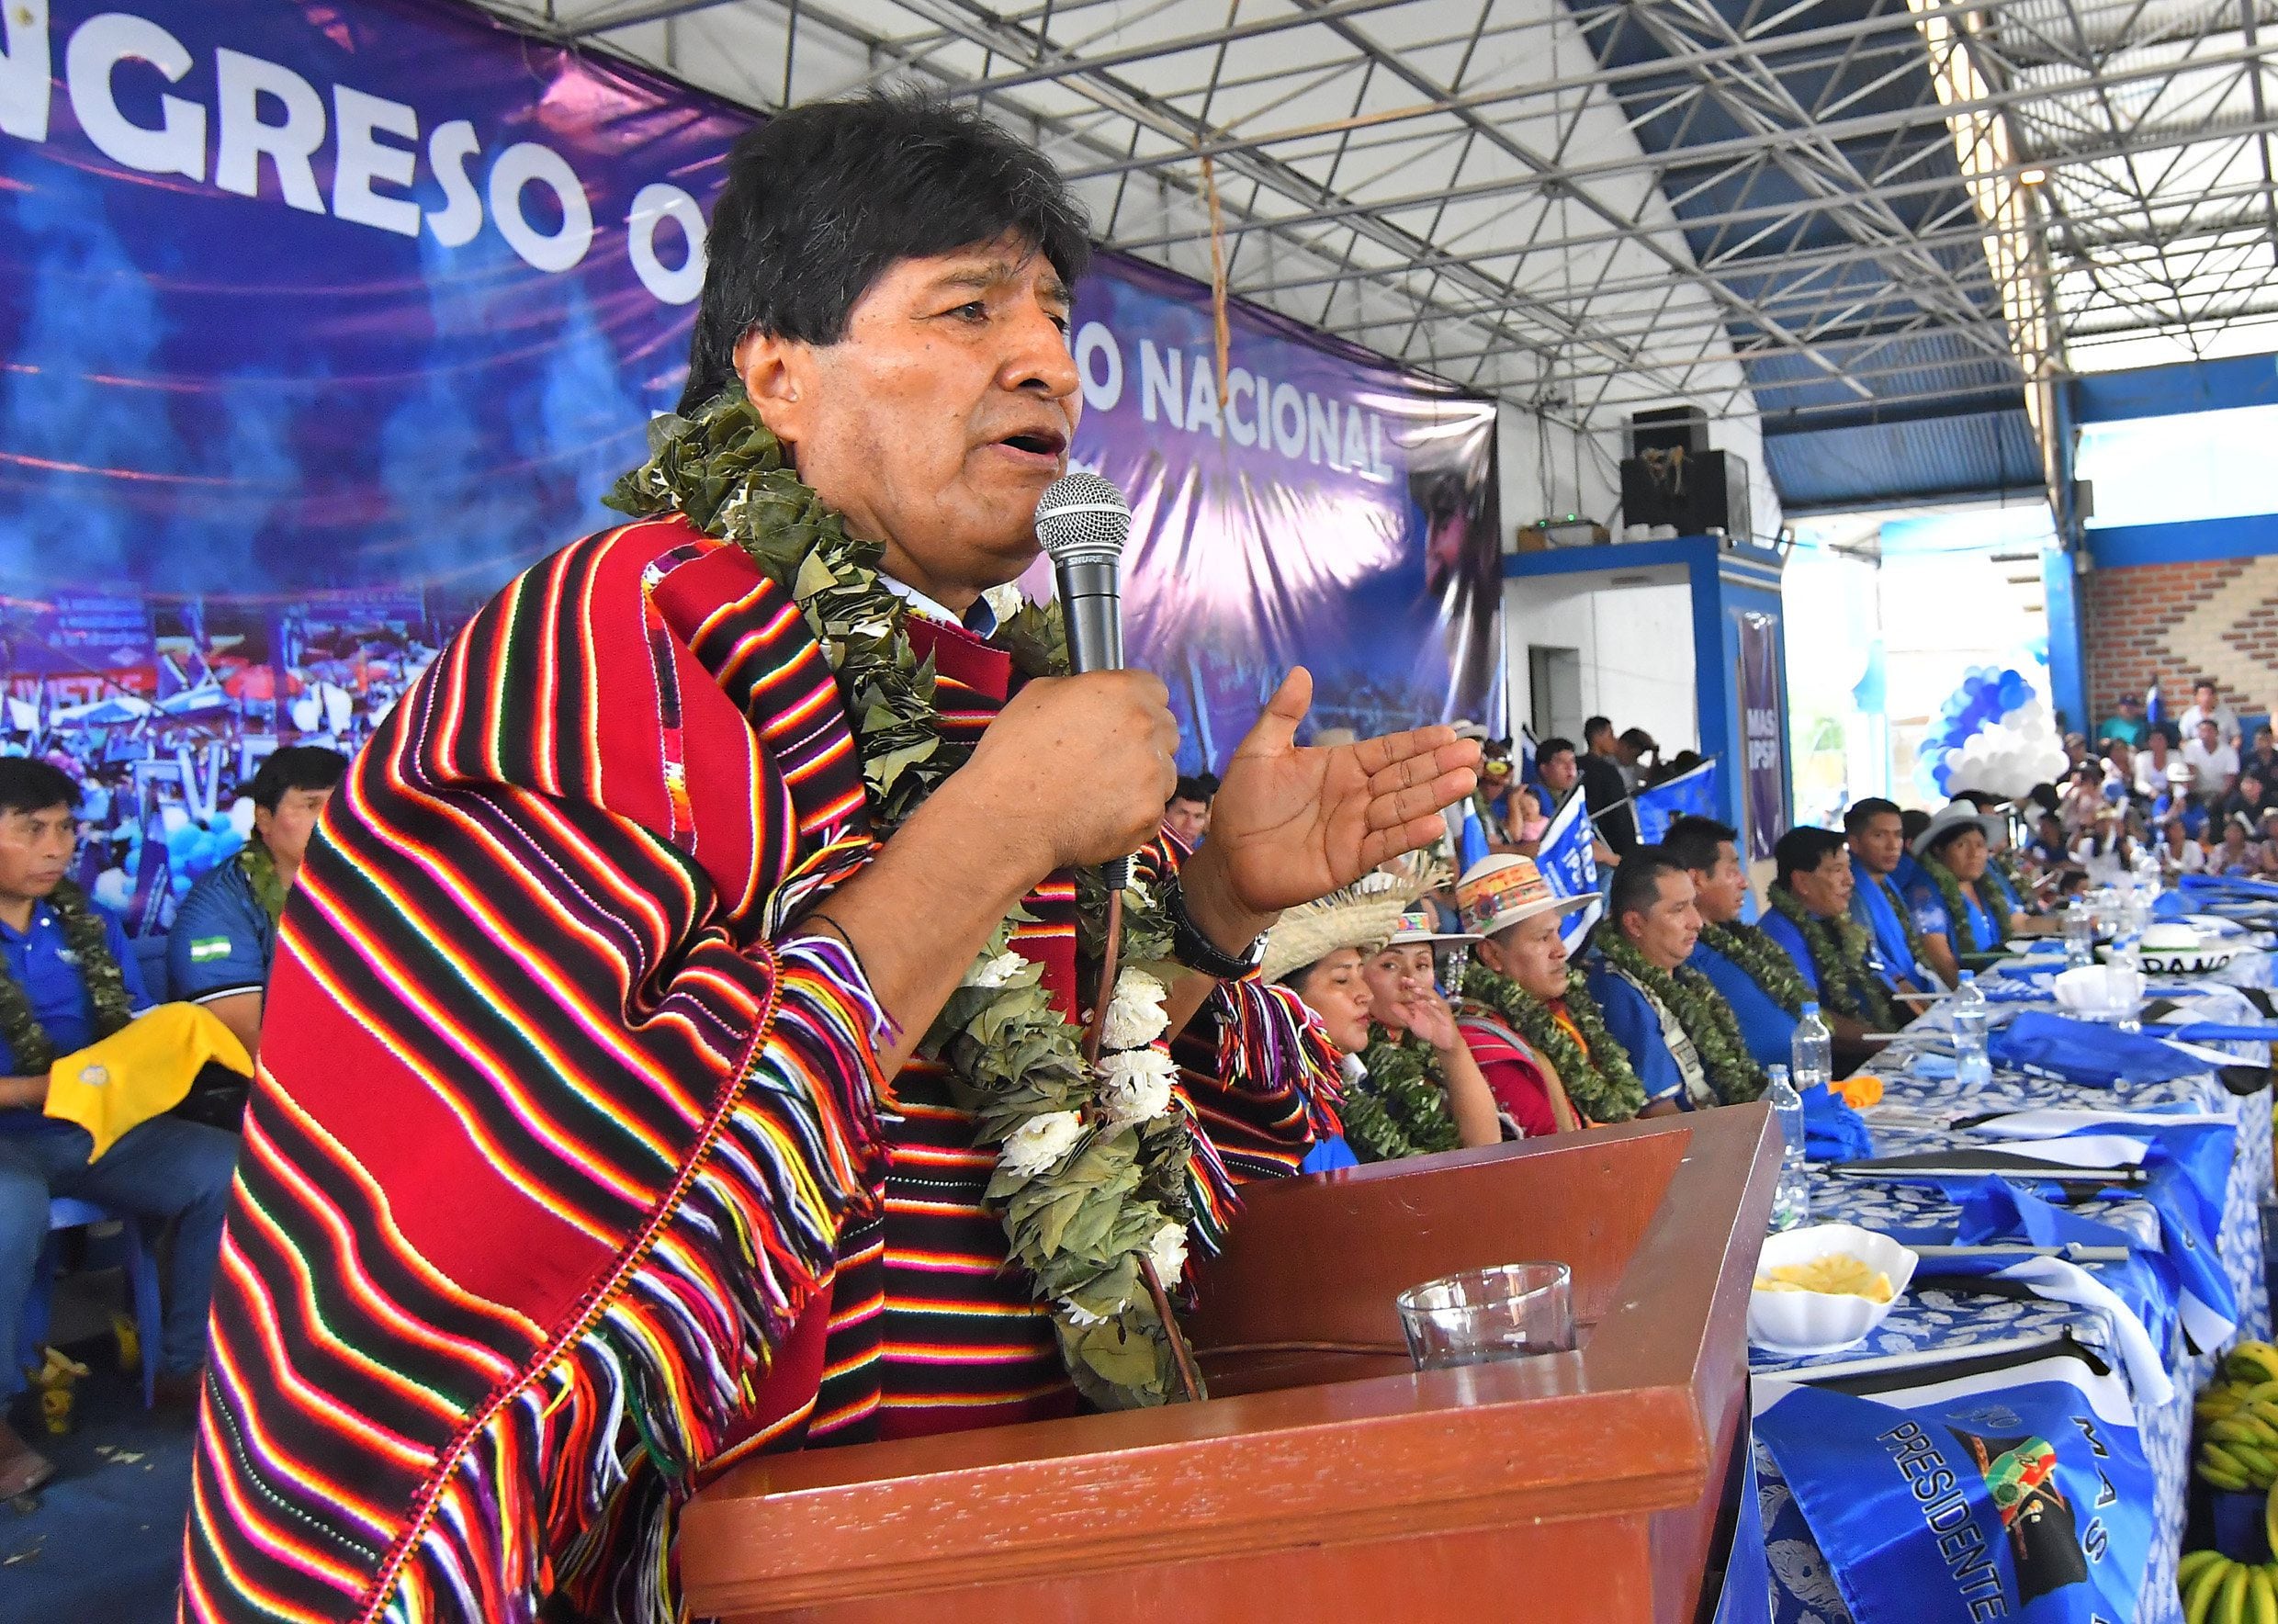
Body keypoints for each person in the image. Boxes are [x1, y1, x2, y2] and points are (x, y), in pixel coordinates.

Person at [181, 96, 1483, 1623]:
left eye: (1056, 316)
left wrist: (1207, 912)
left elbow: (1040, 1110)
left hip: (1029, 1534)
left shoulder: (992, 698)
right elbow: (573, 1172)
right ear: (780, 375)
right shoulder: (620, 640)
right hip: (737, 1567)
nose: (1048, 359)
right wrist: (998, 825)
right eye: (968, 306)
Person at [0, 760, 243, 1498]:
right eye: (31, 829)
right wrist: (42, 1088)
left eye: (67, 828)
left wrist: (162, 1050)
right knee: (8, 1216)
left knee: (230, 1170)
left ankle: (186, 1367)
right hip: (12, 1140)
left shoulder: (88, 921)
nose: (56, 846)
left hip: (101, 1128)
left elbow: (129, 1033)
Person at [167, 746, 347, 1059]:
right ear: (264, 818)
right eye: (312, 805)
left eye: (341, 804)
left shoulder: (369, 886)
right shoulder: (218, 904)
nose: (332, 820)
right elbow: (241, 1042)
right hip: (262, 1088)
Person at [1451, 854, 1642, 1133]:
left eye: (1558, 933)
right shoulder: (1482, 1042)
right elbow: (1553, 1144)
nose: (1561, 950)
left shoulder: (1562, 1011)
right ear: (1491, 955)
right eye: (1543, 938)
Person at [1583, 847, 1765, 1113]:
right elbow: (1662, 1115)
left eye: (1693, 903)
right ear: (1634, 924)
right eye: (1678, 909)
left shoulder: (1683, 974)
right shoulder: (1619, 991)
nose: (1696, 922)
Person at [1349, 901, 1501, 1157]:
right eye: (1390, 965)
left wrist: (1452, 1050)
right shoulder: (1350, 1064)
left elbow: (1486, 1148)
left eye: (1421, 965)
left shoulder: (1425, 1052)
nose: (1410, 981)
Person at [1664, 816, 1807, 1071]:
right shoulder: (1684, 954)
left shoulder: (1741, 941)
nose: (1744, 883)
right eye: (1732, 872)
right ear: (1696, 879)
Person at [1760, 825, 1897, 1055]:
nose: (1850, 880)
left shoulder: (1839, 922)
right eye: (1836, 870)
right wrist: (1888, 1045)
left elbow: (1889, 976)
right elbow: (1811, 1015)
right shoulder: (1778, 934)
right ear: (1802, 882)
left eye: (1849, 868)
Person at [1905, 803, 2009, 986]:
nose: (1974, 854)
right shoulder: (1924, 893)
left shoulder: (1982, 885)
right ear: (1939, 850)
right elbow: (1942, 961)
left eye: (1980, 845)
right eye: (1961, 845)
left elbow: (2017, 921)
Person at [1843, 796, 1935, 995]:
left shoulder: (1886, 883)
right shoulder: (1846, 890)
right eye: (1879, 835)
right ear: (1854, 843)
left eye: (1898, 835)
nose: (1893, 845)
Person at [1580, 716, 1637, 856]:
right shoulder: (1608, 772)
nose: (1615, 740)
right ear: (1597, 738)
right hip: (1609, 845)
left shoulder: (1578, 766)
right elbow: (1619, 813)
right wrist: (1629, 849)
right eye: (1610, 735)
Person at [2185, 716, 2242, 800]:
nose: (2205, 734)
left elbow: (2230, 779)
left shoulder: (2229, 752)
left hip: (2221, 794)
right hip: (2197, 793)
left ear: (2217, 733)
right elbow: (2191, 773)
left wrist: (2219, 798)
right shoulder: (2191, 747)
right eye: (2202, 731)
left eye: (2209, 731)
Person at [2179, 679, 2241, 748]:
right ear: (2196, 697)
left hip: (2221, 753)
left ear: (2215, 696)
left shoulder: (2227, 714)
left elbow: (2236, 738)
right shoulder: (2189, 716)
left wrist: (2230, 752)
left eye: (2209, 694)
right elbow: (2182, 741)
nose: (2206, 698)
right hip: (2197, 755)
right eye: (2202, 695)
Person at [1163, 771, 1217, 849]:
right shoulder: (1146, 852)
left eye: (1198, 816)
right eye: (1182, 813)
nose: (1190, 824)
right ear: (1163, 812)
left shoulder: (1207, 856)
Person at [2157, 813, 2206, 878]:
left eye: (2180, 829)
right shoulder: (2161, 849)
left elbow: (2197, 870)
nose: (2179, 832)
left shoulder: (2194, 846)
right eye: (2174, 829)